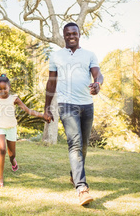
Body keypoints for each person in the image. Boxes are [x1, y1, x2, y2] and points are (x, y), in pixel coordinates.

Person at [44, 22, 103, 206]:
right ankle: (81, 188)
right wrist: (47, 107)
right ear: (64, 36)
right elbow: (51, 82)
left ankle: (74, 174)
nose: (71, 36)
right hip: (66, 105)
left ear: (79, 34)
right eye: (68, 34)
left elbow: (98, 74)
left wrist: (97, 84)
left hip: (86, 105)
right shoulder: (56, 56)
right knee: (75, 143)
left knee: (83, 146)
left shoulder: (89, 55)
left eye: (74, 33)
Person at [0, 74, 51, 187]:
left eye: (5, 88)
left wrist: (42, 116)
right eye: (0, 89)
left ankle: (13, 160)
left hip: (11, 128)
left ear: (9, 87)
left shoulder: (14, 99)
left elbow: (28, 110)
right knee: (2, 150)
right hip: (0, 127)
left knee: (12, 154)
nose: (3, 91)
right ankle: (0, 179)